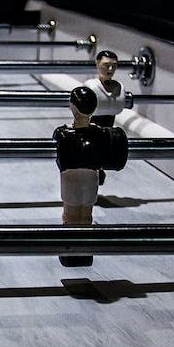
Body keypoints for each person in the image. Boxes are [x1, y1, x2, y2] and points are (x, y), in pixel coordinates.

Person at [53, 86, 127, 268]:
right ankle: (81, 250)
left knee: (74, 214)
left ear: (72, 106)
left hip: (74, 178)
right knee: (83, 214)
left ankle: (74, 250)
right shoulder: (99, 133)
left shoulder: (63, 134)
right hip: (86, 178)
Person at [84, 49, 125, 127]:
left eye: (114, 66)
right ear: (97, 63)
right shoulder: (90, 86)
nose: (110, 69)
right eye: (106, 65)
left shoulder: (119, 87)